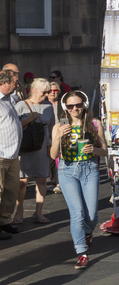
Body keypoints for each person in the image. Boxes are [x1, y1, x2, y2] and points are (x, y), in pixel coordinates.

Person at [51, 89, 107, 269]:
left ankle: (88, 233)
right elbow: (53, 155)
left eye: (78, 105)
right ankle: (81, 253)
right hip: (67, 171)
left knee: (91, 215)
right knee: (77, 213)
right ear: (65, 108)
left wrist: (94, 150)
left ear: (85, 105)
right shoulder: (59, 125)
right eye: (70, 106)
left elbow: (104, 150)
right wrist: (59, 137)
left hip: (89, 169)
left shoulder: (94, 123)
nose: (75, 109)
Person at [16, 78, 54, 224]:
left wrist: (52, 147)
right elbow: (14, 127)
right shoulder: (20, 106)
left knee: (42, 179)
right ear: (34, 90)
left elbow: (51, 128)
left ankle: (38, 213)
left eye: (48, 92)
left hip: (41, 147)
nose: (46, 95)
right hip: (24, 147)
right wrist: (28, 119)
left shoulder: (49, 106)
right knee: (22, 181)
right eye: (44, 92)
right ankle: (19, 212)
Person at [0, 70, 24, 238]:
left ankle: (5, 221)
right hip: (0, 154)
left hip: (13, 154)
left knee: (11, 190)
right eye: (15, 82)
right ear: (4, 83)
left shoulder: (9, 99)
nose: (17, 86)